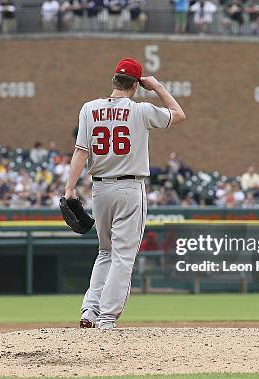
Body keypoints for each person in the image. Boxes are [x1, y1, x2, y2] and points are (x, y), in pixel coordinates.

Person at [67, 58, 186, 329]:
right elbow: (178, 114)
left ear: (113, 80)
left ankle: (89, 311)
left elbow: (80, 151)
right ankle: (107, 318)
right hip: (130, 188)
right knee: (122, 256)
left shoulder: (89, 108)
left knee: (105, 252)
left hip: (99, 189)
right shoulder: (140, 110)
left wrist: (70, 187)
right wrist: (156, 86)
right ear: (135, 85)